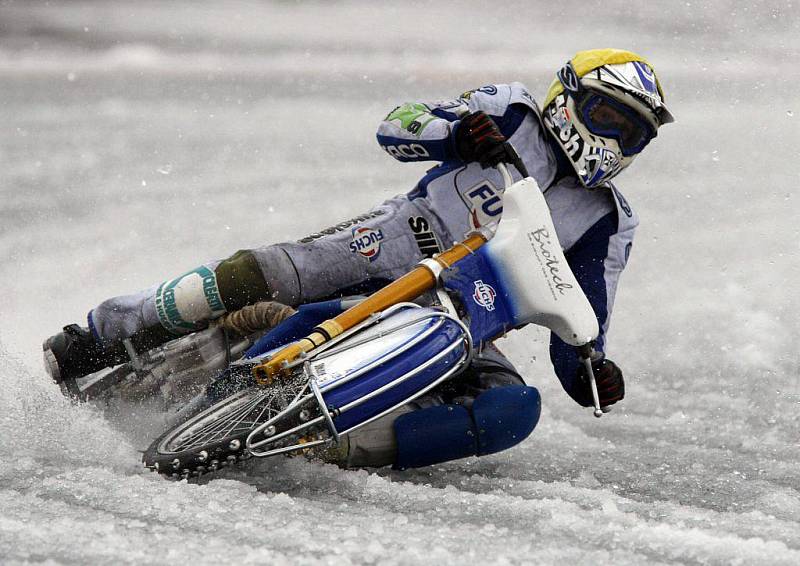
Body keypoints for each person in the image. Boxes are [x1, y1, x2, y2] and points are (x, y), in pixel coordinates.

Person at [44, 48, 673, 469]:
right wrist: (454, 133)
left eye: (633, 132)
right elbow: (398, 124)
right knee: (254, 274)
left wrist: (593, 373)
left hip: (468, 318)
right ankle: (105, 333)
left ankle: (325, 446)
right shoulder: (511, 111)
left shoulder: (610, 221)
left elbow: (580, 322)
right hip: (391, 246)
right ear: (567, 100)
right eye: (607, 116)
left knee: (514, 411)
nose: (615, 139)